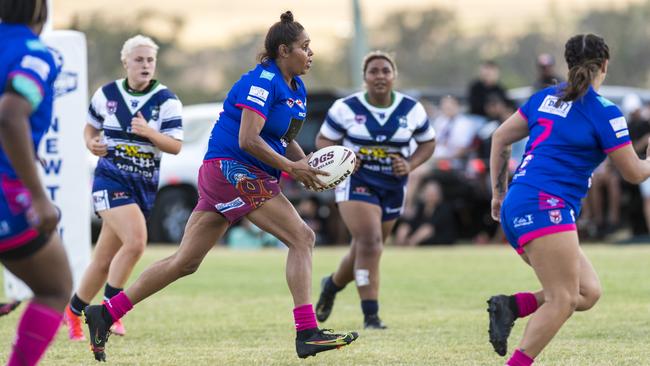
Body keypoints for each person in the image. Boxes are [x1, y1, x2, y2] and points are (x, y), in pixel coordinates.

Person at [83, 11, 358, 361]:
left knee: (185, 262)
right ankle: (307, 332)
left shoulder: (297, 89)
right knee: (302, 237)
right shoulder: (261, 81)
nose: (311, 53)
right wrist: (292, 169)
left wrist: (307, 167)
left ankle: (105, 313)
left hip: (231, 175)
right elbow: (248, 139)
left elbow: (285, 139)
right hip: (232, 170)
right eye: (305, 47)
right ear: (284, 50)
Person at [487, 34, 650, 366]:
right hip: (546, 206)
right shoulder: (604, 111)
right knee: (563, 299)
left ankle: (512, 306)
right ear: (605, 65)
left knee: (586, 293)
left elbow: (501, 136)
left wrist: (499, 194)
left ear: (569, 64)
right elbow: (634, 173)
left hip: (520, 202)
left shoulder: (545, 97)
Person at [62, 34, 184, 341]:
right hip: (109, 180)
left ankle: (73, 311)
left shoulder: (166, 100)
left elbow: (175, 146)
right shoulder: (106, 94)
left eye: (150, 60)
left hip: (141, 187)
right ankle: (109, 310)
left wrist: (148, 133)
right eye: (139, 59)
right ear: (125, 62)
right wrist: (91, 142)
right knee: (137, 241)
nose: (145, 65)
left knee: (103, 261)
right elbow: (90, 127)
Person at [314, 51, 436, 329]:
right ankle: (371, 316)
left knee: (364, 248)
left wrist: (410, 164)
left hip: (393, 186)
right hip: (357, 181)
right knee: (371, 243)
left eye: (385, 71)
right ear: (365, 77)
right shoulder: (345, 108)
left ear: (394, 76)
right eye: (374, 71)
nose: (380, 76)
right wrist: (345, 155)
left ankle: (332, 285)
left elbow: (428, 143)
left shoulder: (411, 109)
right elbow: (323, 140)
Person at [0, 1, 74, 364]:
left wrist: (27, 152)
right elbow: (10, 116)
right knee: (54, 288)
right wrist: (37, 195)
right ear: (38, 10)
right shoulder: (35, 53)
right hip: (5, 193)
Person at [394, 180, 456, 246]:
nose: (430, 197)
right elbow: (412, 221)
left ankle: (410, 244)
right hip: (422, 237)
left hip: (439, 238)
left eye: (433, 194)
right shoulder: (420, 206)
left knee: (426, 229)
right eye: (428, 194)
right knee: (404, 226)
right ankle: (400, 245)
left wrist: (412, 240)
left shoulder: (444, 208)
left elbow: (430, 228)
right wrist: (405, 228)